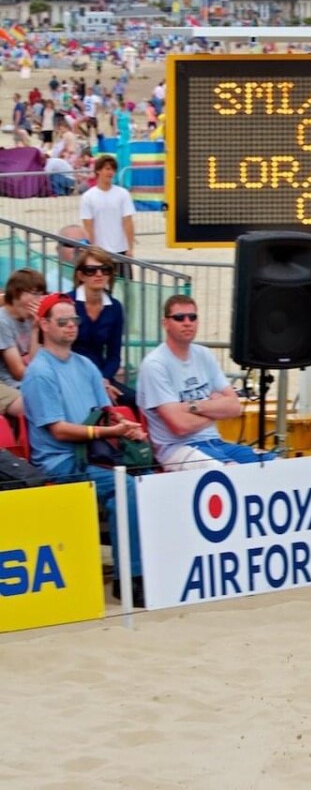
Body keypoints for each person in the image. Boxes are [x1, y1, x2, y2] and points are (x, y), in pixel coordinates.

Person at [21, 293, 148, 606]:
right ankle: (130, 577)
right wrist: (111, 430)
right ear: (44, 325)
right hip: (61, 462)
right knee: (127, 487)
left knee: (141, 480)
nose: (70, 326)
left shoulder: (86, 364)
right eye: (62, 321)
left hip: (94, 455)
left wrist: (126, 426)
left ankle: (137, 572)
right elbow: (59, 430)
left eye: (74, 320)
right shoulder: (40, 372)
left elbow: (107, 409)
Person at [137, 295, 263, 471]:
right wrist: (216, 409)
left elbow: (234, 407)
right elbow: (180, 426)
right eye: (179, 318)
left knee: (274, 463)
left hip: (215, 441)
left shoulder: (204, 355)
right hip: (176, 449)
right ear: (165, 323)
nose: (187, 322)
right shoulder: (155, 364)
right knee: (233, 473)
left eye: (192, 317)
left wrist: (192, 406)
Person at [67, 247, 135, 409]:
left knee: (136, 401)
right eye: (91, 270)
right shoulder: (67, 302)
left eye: (105, 270)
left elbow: (114, 356)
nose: (99, 274)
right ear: (80, 275)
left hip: (101, 375)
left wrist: (103, 380)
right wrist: (97, 384)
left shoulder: (115, 307)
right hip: (69, 374)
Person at [80, 154, 136, 276]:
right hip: (100, 251)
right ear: (98, 171)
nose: (110, 172)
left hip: (121, 250)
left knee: (127, 287)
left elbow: (128, 222)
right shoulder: (88, 197)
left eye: (112, 169)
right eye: (107, 168)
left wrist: (130, 248)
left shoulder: (123, 194)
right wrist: (92, 249)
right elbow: (88, 226)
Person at [0, 268, 45, 392]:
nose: (39, 300)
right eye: (35, 293)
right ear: (16, 293)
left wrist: (36, 327)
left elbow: (36, 362)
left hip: (29, 381)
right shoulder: (3, 321)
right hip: (11, 386)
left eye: (41, 294)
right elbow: (18, 372)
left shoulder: (29, 318)